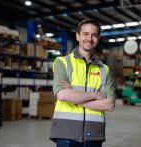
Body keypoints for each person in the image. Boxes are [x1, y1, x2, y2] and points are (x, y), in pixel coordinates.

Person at [50, 19, 116, 147]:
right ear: (77, 36)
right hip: (66, 132)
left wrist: (74, 97)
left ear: (98, 38)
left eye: (94, 35)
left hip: (95, 133)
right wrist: (96, 95)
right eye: (85, 34)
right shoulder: (62, 62)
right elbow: (62, 95)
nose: (89, 38)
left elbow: (109, 105)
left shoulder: (104, 69)